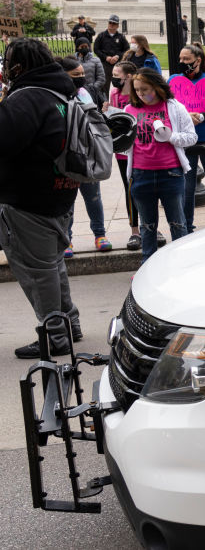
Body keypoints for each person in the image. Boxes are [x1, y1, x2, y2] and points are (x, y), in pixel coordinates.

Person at [0, 39, 84, 358]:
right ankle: (68, 323)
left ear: (19, 67)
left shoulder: (26, 98)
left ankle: (55, 334)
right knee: (51, 264)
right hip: (60, 190)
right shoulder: (60, 91)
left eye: (8, 63)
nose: (6, 69)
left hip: (28, 198)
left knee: (37, 270)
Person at [123, 68, 197, 262]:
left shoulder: (173, 107)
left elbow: (192, 137)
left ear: (157, 87)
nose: (141, 94)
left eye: (145, 89)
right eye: (137, 90)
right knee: (147, 226)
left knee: (178, 223)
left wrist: (170, 136)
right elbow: (124, 145)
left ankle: (181, 264)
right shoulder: (129, 110)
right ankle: (147, 266)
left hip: (171, 174)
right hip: (140, 174)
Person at [168, 44, 205, 233]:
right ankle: (187, 226)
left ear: (198, 60)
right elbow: (167, 105)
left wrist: (202, 116)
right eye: (180, 59)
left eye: (186, 59)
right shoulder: (173, 81)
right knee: (186, 187)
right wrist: (186, 116)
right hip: (186, 142)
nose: (182, 63)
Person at [58, 57, 110, 256]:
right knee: (67, 201)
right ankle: (66, 239)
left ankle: (100, 234)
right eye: (75, 75)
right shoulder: (58, 96)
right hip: (67, 156)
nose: (81, 78)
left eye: (82, 74)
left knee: (93, 197)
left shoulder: (84, 93)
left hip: (87, 154)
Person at [104, 60, 142, 250]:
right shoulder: (114, 94)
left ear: (128, 77)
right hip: (122, 152)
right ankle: (134, 230)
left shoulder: (140, 94)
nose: (114, 79)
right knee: (130, 190)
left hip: (140, 150)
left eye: (117, 76)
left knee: (144, 190)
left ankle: (151, 226)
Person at [92, 14, 129, 92]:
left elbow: (127, 49)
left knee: (120, 84)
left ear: (118, 26)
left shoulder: (121, 37)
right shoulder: (101, 36)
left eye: (114, 23)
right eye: (110, 22)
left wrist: (118, 56)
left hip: (118, 64)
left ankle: (120, 102)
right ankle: (105, 103)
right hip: (105, 64)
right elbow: (96, 49)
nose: (112, 25)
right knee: (104, 86)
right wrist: (106, 57)